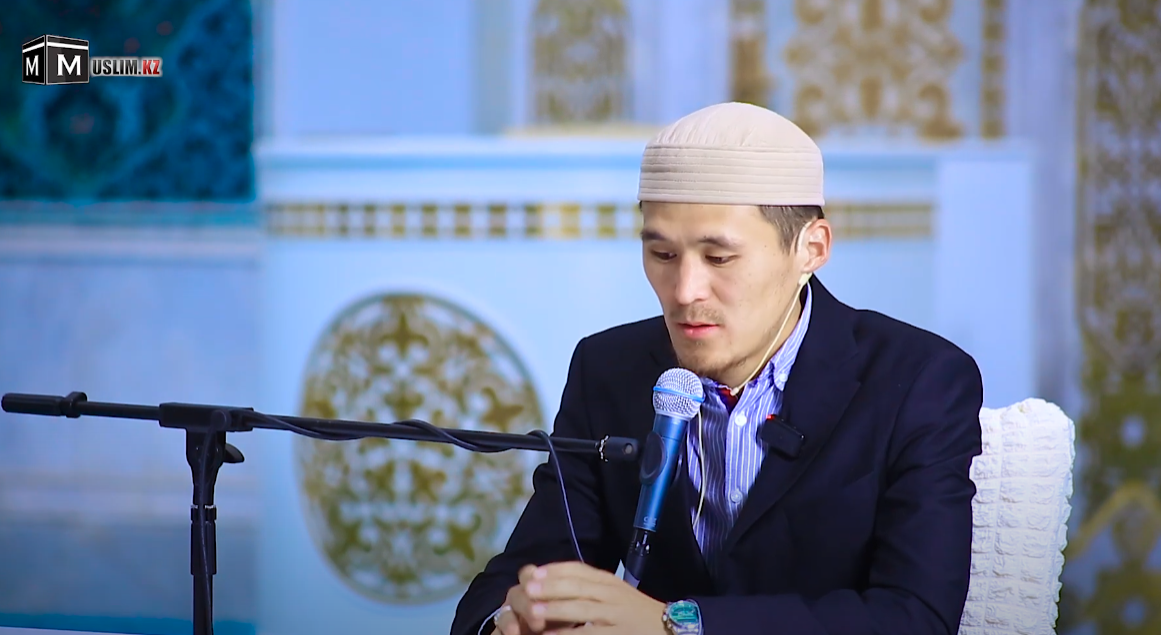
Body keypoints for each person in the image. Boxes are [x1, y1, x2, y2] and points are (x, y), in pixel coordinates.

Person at [450, 102, 983, 635]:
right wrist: (511, 620)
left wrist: (677, 624)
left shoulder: (919, 380)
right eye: (662, 255)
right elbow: (524, 573)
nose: (685, 292)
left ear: (811, 248)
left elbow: (914, 617)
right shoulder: (606, 368)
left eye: (719, 258)